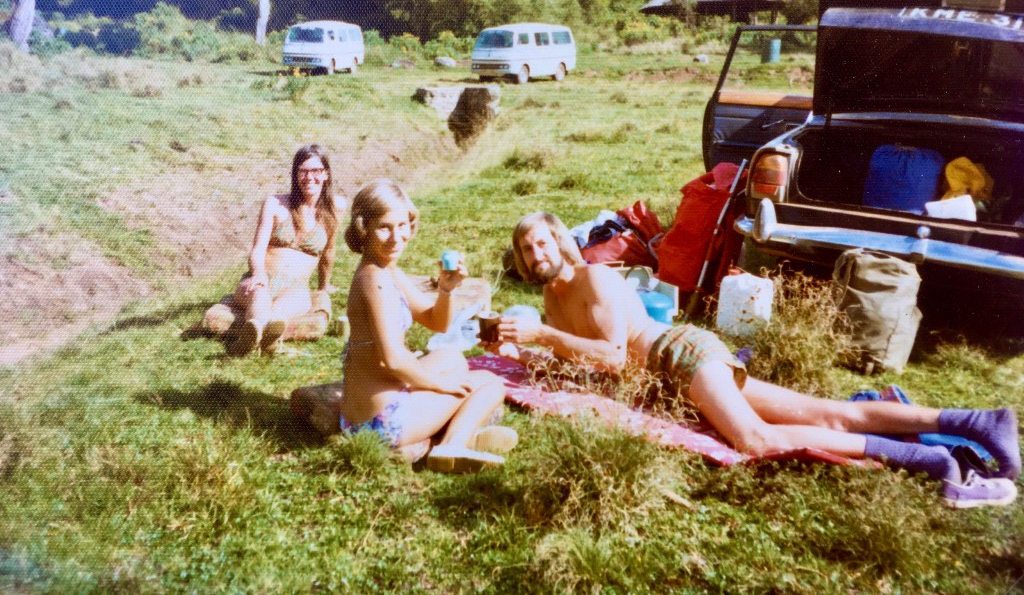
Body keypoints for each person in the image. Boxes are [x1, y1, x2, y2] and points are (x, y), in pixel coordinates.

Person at [492, 211, 1020, 509]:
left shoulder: (593, 278)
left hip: (679, 356)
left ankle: (934, 462)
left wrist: (542, 335)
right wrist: (528, 352)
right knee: (830, 414)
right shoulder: (553, 299)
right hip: (673, 376)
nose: (537, 256)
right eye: (527, 251)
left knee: (755, 439)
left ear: (559, 241)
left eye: (542, 244)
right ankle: (978, 423)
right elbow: (581, 359)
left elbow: (610, 354)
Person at [338, 179, 516, 473]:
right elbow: (393, 359)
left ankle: (447, 434)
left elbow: (437, 323)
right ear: (363, 228)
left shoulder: (386, 269)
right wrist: (439, 385)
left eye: (402, 225)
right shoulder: (375, 280)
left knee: (452, 357)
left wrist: (446, 289)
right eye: (384, 227)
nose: (396, 237)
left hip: (362, 413)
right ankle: (452, 446)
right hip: (381, 421)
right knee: (488, 382)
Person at [214, 144, 345, 356]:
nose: (309, 177)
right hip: (264, 278)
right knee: (259, 297)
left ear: (326, 174)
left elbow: (329, 252)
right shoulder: (275, 203)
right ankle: (257, 335)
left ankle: (261, 335)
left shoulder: (334, 209)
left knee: (283, 310)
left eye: (316, 170)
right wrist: (258, 275)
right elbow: (257, 249)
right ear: (295, 174)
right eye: (303, 171)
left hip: (296, 287)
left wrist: (323, 287)